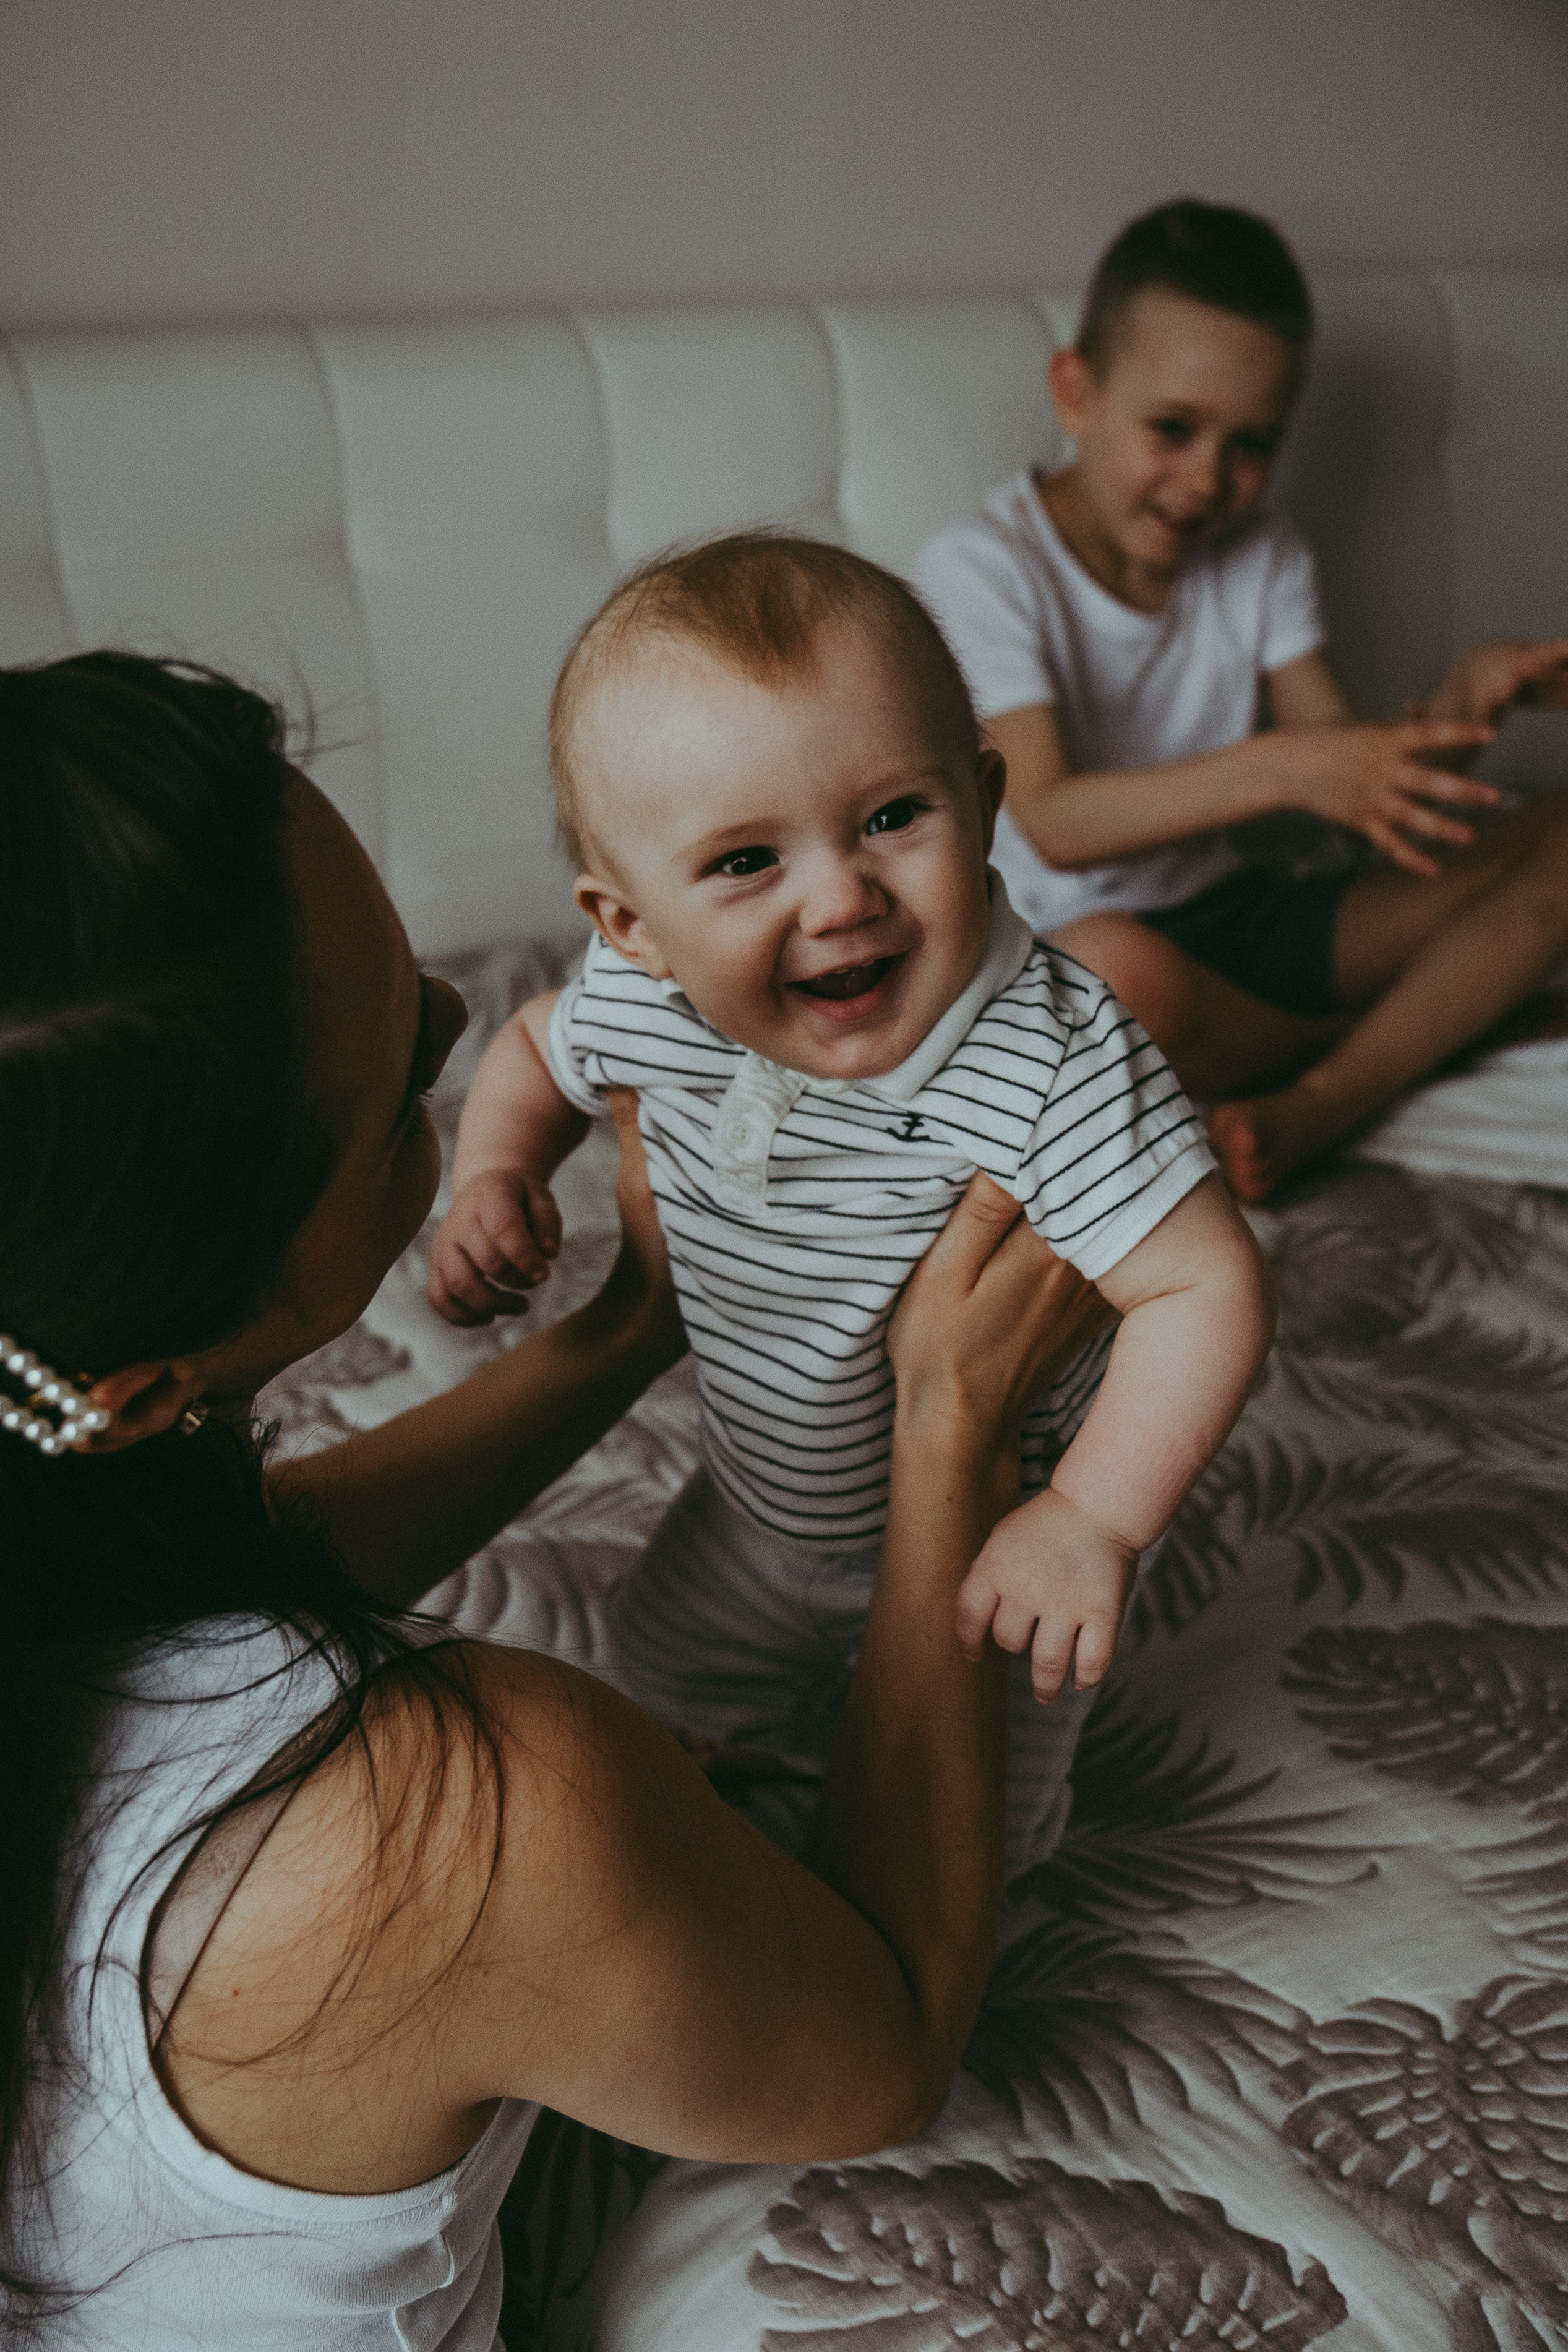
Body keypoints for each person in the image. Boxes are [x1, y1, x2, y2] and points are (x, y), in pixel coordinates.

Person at [0, 650, 1113, 2346]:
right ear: (142, 1387)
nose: (463, 1018)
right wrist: (951, 1425)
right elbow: (883, 2044)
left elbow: (175, 1606)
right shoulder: (459, 1822)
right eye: (396, 1104)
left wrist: (629, 1326)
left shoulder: (58, 1511)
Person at [426, 534, 1274, 1880]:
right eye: (745, 860)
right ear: (628, 922)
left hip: (989, 1528)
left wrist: (1092, 1522)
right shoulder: (646, 996)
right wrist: (495, 1171)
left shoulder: (1047, 1055)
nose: (839, 895)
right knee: (655, 1686)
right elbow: (533, 1047)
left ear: (981, 800)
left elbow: (1207, 1282)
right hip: (759, 1505)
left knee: (972, 1841)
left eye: (891, 816)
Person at [913, 197, 1568, 1200]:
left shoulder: (1263, 556)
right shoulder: (984, 566)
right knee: (1115, 975)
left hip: (1245, 919)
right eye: (1173, 428)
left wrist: (1467, 698)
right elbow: (1051, 818)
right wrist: (1284, 771)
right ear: (1076, 393)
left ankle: (1328, 1094)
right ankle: (1411, 1039)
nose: (1208, 479)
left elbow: (1362, 794)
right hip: (1090, 947)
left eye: (1251, 444)